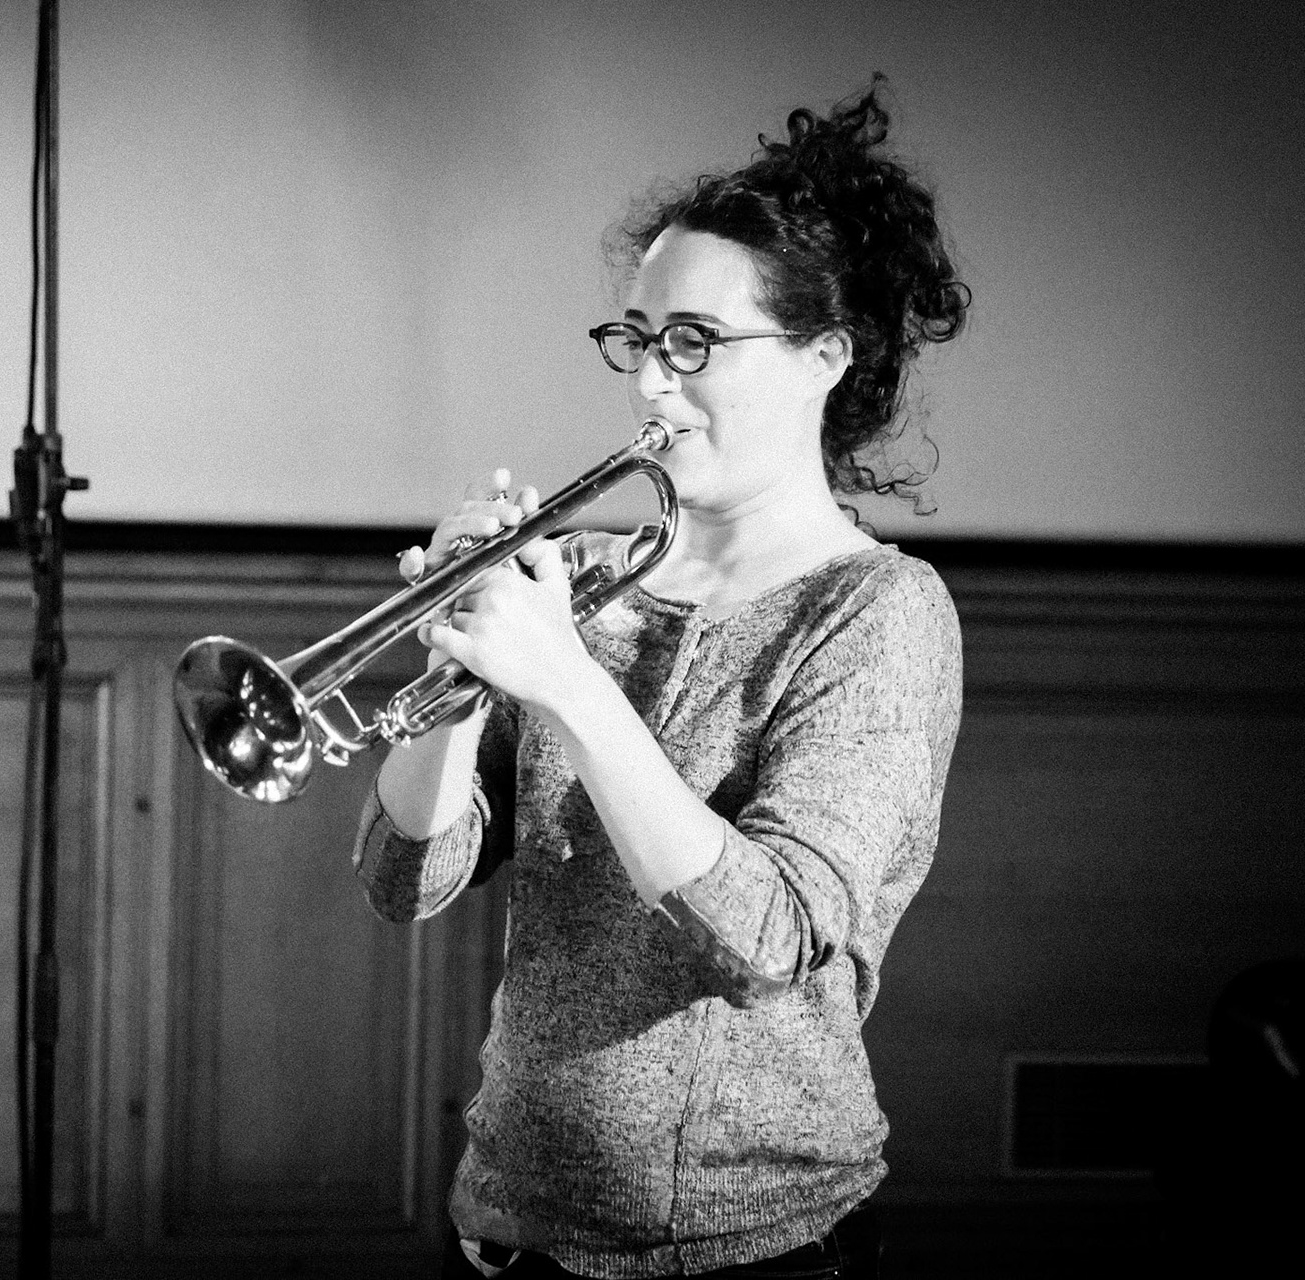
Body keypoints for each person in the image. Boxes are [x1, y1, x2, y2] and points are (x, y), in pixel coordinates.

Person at [353, 80, 970, 1279]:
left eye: (694, 344)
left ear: (823, 358)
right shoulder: (582, 578)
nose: (648, 382)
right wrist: (459, 663)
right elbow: (399, 880)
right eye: (638, 340)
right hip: (505, 1223)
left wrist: (572, 686)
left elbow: (771, 934)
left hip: (750, 1249)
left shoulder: (879, 612)